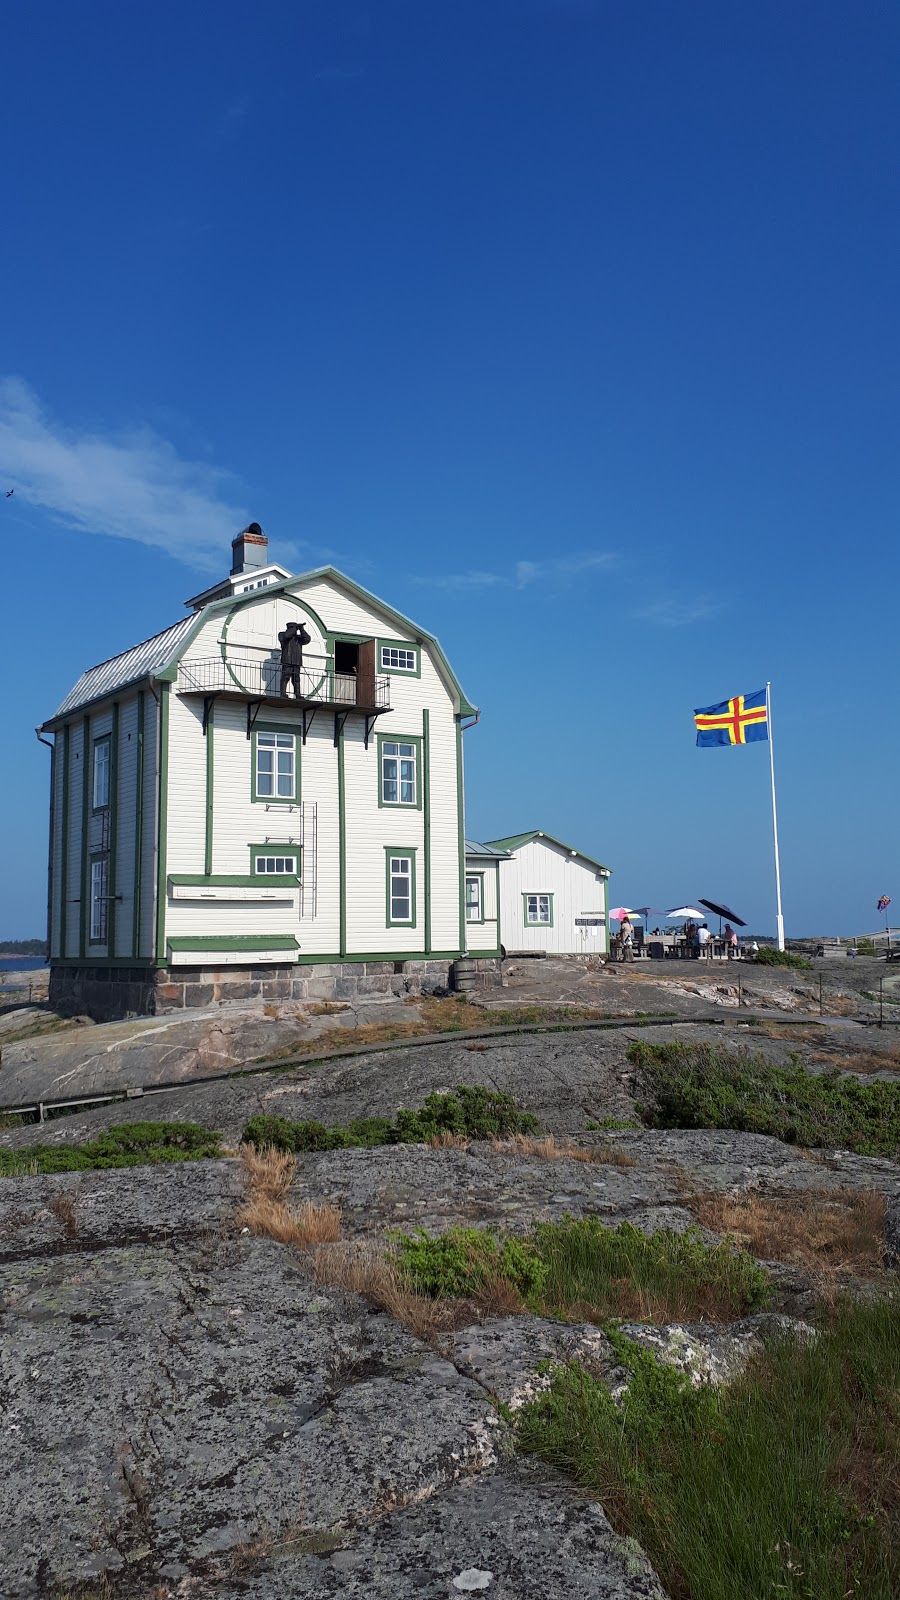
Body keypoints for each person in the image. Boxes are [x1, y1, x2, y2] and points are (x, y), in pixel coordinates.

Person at [279, 619, 311, 698]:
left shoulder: (299, 638)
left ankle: (297, 694)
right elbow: (287, 636)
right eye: (294, 628)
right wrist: (294, 628)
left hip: (296, 661)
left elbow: (307, 639)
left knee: (296, 679)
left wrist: (301, 629)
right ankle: (283, 693)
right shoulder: (282, 634)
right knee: (285, 677)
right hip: (287, 660)